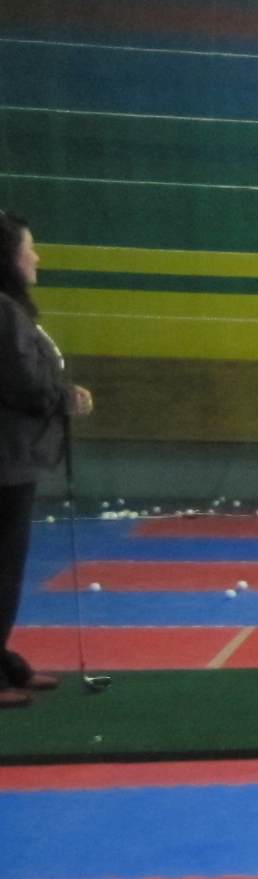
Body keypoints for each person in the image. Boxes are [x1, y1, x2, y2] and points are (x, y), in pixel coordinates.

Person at [1, 214, 91, 708]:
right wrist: (64, 398)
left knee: (8, 566)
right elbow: (24, 385)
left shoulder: (10, 309)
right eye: (28, 249)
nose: (35, 258)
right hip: (6, 459)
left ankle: (3, 661)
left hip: (14, 459)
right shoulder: (3, 312)